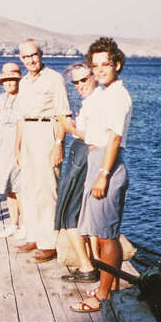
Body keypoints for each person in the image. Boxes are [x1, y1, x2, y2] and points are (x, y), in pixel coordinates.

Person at [71, 38, 132, 313]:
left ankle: (103, 296)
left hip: (108, 162)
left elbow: (115, 138)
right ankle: (111, 287)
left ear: (117, 64)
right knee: (107, 234)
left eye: (105, 64)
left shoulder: (119, 96)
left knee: (107, 236)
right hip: (98, 160)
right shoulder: (106, 94)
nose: (99, 70)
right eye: (94, 66)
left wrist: (103, 174)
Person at [14, 39, 71, 263]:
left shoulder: (54, 79)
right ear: (21, 59)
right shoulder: (25, 82)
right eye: (26, 57)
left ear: (41, 54)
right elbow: (20, 118)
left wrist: (58, 144)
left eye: (34, 55)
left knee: (47, 189)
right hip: (27, 133)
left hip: (46, 132)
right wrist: (17, 147)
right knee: (28, 188)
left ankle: (49, 243)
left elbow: (62, 115)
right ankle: (34, 236)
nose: (30, 60)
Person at [56, 63, 100, 281]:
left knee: (68, 213)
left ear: (94, 76)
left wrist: (69, 127)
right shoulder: (93, 101)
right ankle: (95, 260)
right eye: (76, 82)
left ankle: (86, 267)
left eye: (84, 79)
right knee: (83, 212)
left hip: (83, 157)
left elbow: (92, 136)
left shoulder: (96, 102)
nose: (80, 85)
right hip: (82, 156)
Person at [0, 62, 22, 238]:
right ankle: (13, 224)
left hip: (17, 144)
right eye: (6, 80)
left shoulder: (23, 98)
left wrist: (19, 150)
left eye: (13, 80)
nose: (9, 83)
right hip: (2, 145)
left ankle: (25, 225)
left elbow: (21, 125)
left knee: (20, 186)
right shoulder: (2, 98)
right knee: (8, 186)